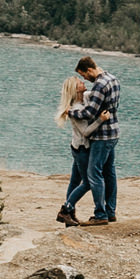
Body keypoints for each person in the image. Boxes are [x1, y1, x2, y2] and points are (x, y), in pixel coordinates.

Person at [69, 53, 121, 224]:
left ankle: (100, 215)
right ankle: (110, 211)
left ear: (90, 69)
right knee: (109, 172)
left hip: (101, 136)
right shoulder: (113, 79)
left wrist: (70, 112)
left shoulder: (99, 85)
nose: (85, 78)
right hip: (114, 132)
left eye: (84, 75)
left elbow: (89, 113)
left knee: (94, 174)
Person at [55, 69, 93, 225]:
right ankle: (66, 209)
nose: (83, 82)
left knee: (75, 181)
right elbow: (85, 131)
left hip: (76, 147)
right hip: (82, 149)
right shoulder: (75, 109)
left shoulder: (82, 99)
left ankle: (70, 214)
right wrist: (101, 120)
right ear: (75, 90)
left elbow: (94, 93)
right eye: (79, 82)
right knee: (89, 183)